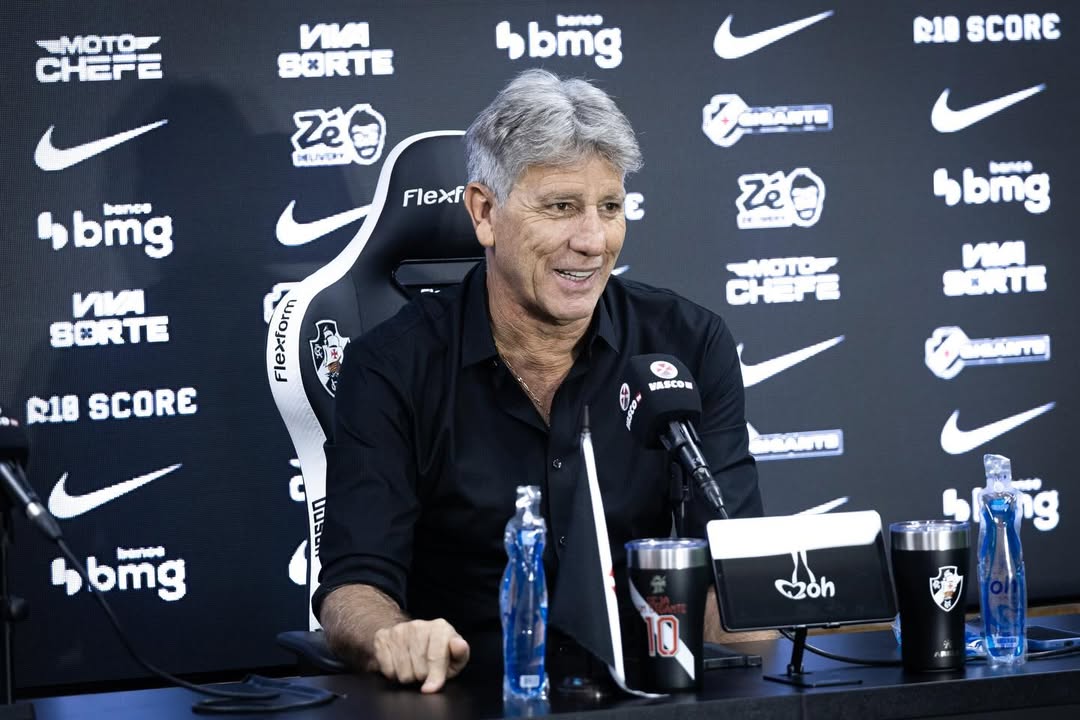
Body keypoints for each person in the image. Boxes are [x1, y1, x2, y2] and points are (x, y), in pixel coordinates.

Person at [314, 68, 762, 694]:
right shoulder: (389, 366)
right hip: (468, 695)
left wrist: (777, 622)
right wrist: (394, 634)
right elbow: (353, 587)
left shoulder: (688, 346)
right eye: (561, 207)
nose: (593, 240)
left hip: (647, 696)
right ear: (485, 212)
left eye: (610, 208)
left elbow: (730, 573)